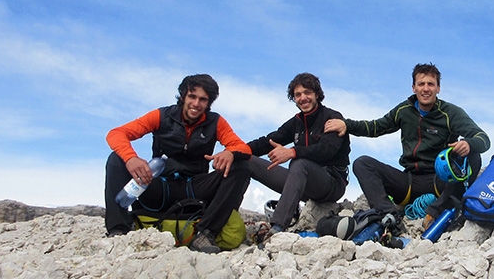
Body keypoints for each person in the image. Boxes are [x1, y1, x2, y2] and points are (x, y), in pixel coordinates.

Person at [325, 63, 490, 226]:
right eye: (421, 84)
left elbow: (482, 138)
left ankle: (436, 212)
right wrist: (347, 125)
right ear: (414, 88)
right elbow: (376, 127)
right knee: (362, 163)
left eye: (431, 84)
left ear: (438, 88)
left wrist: (468, 143)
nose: (426, 88)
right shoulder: (403, 110)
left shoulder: (450, 113)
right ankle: (388, 215)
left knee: (473, 155)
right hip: (409, 183)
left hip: (440, 181)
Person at [104, 73, 252, 254]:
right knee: (116, 159)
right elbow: (116, 133)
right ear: (183, 96)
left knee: (241, 166)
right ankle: (118, 230)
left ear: (209, 103)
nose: (196, 104)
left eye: (203, 99)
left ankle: (205, 233)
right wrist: (131, 158)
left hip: (194, 188)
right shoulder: (162, 116)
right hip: (159, 185)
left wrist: (230, 152)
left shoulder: (215, 122)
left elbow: (243, 148)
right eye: (192, 96)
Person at [246, 73, 350, 241]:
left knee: (299, 162)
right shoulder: (296, 122)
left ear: (317, 94)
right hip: (301, 184)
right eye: (297, 95)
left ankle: (277, 227)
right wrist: (235, 150)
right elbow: (267, 141)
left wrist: (293, 151)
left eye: (307, 92)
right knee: (247, 160)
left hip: (331, 182)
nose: (303, 98)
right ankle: (217, 221)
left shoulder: (332, 117)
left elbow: (327, 149)